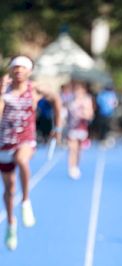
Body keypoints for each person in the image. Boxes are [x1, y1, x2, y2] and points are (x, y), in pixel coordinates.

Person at [0, 55, 62, 250]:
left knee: (22, 159)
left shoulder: (34, 89)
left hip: (26, 140)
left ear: (29, 71)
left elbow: (56, 100)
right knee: (9, 189)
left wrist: (57, 127)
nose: (18, 71)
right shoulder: (3, 90)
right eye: (15, 68)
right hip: (4, 143)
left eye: (22, 68)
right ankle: (11, 223)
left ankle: (26, 200)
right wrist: (1, 92)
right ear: (10, 70)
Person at [66, 81, 94, 179]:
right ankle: (71, 167)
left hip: (82, 127)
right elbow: (67, 115)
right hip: (72, 128)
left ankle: (76, 166)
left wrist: (83, 114)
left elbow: (90, 115)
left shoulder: (87, 100)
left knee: (79, 149)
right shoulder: (71, 101)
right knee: (72, 148)